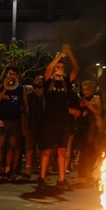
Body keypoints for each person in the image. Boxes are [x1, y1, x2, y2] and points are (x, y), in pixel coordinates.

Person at [37, 45, 81, 191]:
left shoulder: (65, 83)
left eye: (62, 66)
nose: (60, 68)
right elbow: (49, 68)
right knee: (47, 151)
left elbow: (76, 69)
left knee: (62, 151)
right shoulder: (48, 82)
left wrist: (70, 52)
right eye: (58, 66)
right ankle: (42, 178)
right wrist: (61, 55)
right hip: (50, 122)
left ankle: (61, 179)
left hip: (63, 122)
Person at [0, 64, 27, 182]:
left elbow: (25, 106)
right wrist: (5, 88)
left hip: (15, 121)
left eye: (14, 74)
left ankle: (7, 171)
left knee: (11, 146)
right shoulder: (0, 87)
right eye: (10, 73)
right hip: (2, 120)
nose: (12, 76)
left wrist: (25, 122)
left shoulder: (21, 88)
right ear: (6, 74)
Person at [75, 79, 103, 186]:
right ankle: (81, 175)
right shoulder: (82, 99)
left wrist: (88, 105)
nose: (85, 91)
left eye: (87, 89)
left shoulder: (96, 98)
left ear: (91, 89)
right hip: (83, 127)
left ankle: (90, 175)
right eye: (83, 89)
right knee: (83, 151)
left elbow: (98, 112)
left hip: (92, 127)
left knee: (91, 150)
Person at [23, 75, 45, 180]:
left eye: (41, 79)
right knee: (29, 149)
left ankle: (42, 172)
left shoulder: (46, 96)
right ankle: (28, 171)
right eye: (37, 79)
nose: (40, 80)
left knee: (42, 150)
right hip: (31, 125)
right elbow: (25, 111)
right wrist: (24, 126)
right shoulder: (29, 95)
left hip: (43, 126)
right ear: (34, 82)